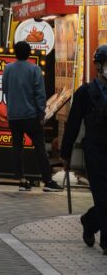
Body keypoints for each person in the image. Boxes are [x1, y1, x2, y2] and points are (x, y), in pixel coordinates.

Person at [61, 45, 107, 253]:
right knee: (102, 195)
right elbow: (72, 124)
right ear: (98, 65)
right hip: (95, 150)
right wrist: (65, 152)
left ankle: (89, 221)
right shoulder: (85, 93)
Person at [3, 40, 61, 192]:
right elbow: (40, 94)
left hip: (13, 115)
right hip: (31, 115)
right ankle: (47, 180)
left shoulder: (8, 69)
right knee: (40, 147)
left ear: (15, 53)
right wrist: (41, 113)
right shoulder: (34, 69)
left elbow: (5, 89)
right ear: (29, 53)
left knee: (17, 147)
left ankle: (21, 180)